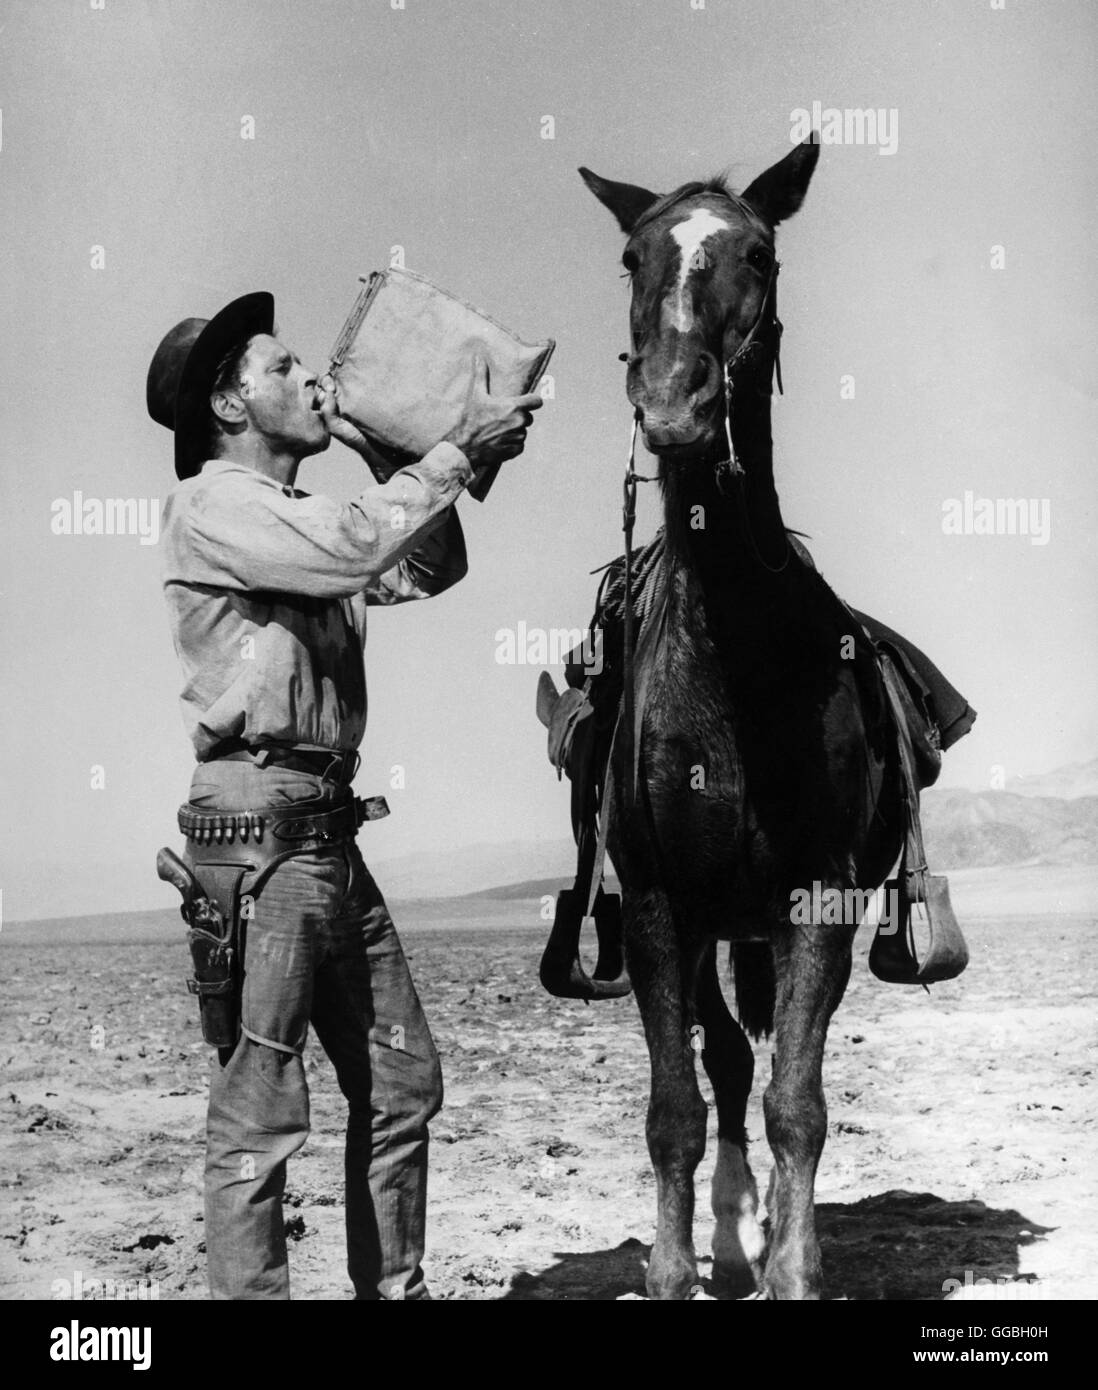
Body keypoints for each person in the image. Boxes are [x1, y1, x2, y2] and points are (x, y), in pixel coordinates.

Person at [146, 290, 542, 1300]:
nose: (307, 376)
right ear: (229, 410)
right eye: (280, 370)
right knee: (259, 1119)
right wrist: (450, 453)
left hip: (325, 841)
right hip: (257, 843)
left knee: (404, 1085)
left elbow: (428, 563)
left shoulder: (305, 517)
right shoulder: (211, 505)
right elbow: (359, 548)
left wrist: (394, 449)